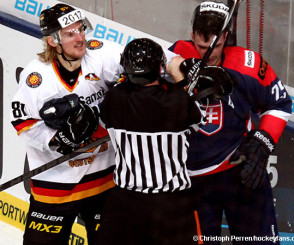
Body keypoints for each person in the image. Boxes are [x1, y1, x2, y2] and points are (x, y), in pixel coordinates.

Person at [169, 1, 292, 244]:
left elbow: (280, 103)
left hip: (241, 171)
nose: (208, 53)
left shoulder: (248, 64)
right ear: (192, 34)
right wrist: (173, 68)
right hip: (192, 181)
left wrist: (263, 141)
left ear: (226, 36)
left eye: (216, 45)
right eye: (202, 45)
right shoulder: (175, 54)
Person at [93, 38, 234, 245]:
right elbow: (198, 120)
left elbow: (109, 115)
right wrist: (178, 74)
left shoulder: (114, 98)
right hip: (171, 206)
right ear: (159, 69)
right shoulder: (177, 102)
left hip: (124, 205)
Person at [10, 3, 124, 245]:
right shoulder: (37, 78)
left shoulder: (101, 55)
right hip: (56, 186)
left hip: (104, 180)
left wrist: (180, 67)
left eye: (81, 30)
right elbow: (23, 122)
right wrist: (57, 141)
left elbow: (143, 59)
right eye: (70, 34)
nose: (80, 38)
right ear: (53, 41)